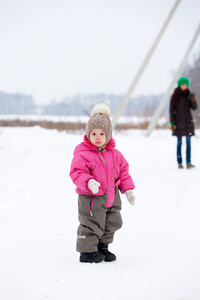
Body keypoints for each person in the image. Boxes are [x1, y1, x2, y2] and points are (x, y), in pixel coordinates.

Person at [70, 103, 135, 263]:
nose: (97, 137)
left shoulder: (115, 154)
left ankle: (102, 246)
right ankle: (87, 252)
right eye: (93, 133)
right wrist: (89, 182)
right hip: (91, 198)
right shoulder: (83, 154)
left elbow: (124, 173)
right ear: (87, 134)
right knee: (91, 223)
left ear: (108, 135)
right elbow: (77, 172)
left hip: (111, 197)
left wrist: (128, 190)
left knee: (112, 222)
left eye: (101, 133)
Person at [170, 76, 198, 169]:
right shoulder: (174, 96)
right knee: (179, 143)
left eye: (186, 85)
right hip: (178, 123)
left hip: (188, 123)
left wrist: (193, 100)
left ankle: (188, 162)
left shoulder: (190, 95)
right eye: (183, 84)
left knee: (189, 143)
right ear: (179, 85)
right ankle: (180, 163)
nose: (184, 86)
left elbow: (194, 107)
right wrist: (172, 123)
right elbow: (171, 111)